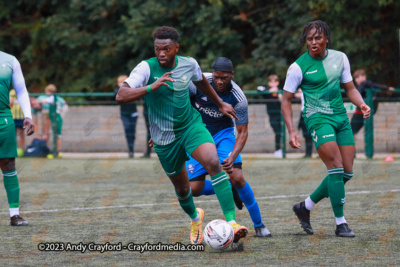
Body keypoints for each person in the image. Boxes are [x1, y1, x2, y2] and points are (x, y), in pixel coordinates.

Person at [116, 26, 248, 245]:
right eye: (158, 49)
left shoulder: (189, 64)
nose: (161, 53)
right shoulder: (146, 69)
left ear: (176, 48)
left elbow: (202, 82)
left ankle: (232, 223)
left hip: (190, 126)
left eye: (166, 49)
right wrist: (151, 87)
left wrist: (220, 103)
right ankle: (196, 219)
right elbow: (121, 95)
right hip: (164, 139)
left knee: (214, 162)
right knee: (183, 188)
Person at [281, 20, 371, 237]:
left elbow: (350, 88)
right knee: (336, 168)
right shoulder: (297, 67)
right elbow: (285, 100)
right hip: (317, 118)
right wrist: (292, 130)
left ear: (326, 39)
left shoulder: (340, 58)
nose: (313, 42)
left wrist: (361, 104)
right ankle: (341, 223)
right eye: (309, 39)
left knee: (346, 173)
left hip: (340, 118)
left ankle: (305, 206)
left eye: (317, 38)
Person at [186, 57, 271, 237]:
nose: (219, 81)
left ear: (232, 75)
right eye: (216, 77)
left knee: (238, 177)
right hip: (198, 135)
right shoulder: (197, 84)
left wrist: (233, 155)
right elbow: (180, 105)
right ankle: (228, 187)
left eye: (224, 78)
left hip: (223, 135)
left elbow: (242, 132)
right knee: (194, 189)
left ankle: (259, 224)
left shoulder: (238, 98)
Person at [0, 50, 34, 226]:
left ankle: (15, 215)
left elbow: (21, 89)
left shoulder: (10, 60)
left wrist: (28, 115)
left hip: (4, 119)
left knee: (8, 164)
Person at [350, 69, 394, 137]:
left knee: (351, 131)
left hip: (363, 111)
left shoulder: (364, 83)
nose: (356, 80)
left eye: (358, 77)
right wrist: (387, 88)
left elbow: (357, 92)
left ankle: (350, 146)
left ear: (364, 76)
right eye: (355, 78)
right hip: (368, 110)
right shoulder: (369, 84)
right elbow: (377, 86)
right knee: (354, 130)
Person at [38, 84, 67, 158]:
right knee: (58, 135)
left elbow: (42, 101)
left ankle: (56, 151)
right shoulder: (59, 98)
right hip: (57, 117)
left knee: (56, 135)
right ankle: (58, 152)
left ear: (49, 91)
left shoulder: (51, 98)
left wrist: (42, 105)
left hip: (55, 118)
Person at [257, 74, 283, 158]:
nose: (273, 84)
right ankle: (277, 150)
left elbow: (285, 100)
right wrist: (270, 91)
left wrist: (279, 96)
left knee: (281, 133)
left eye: (275, 82)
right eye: (271, 82)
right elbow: (259, 89)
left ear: (278, 83)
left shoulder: (280, 91)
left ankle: (280, 149)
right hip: (272, 115)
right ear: (269, 83)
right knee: (277, 132)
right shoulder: (267, 91)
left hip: (281, 115)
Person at [114, 75, 138, 158]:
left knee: (132, 131)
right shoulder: (117, 90)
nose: (121, 84)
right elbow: (117, 96)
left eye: (123, 82)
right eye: (120, 82)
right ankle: (130, 149)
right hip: (124, 114)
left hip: (133, 113)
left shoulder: (132, 89)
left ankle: (132, 150)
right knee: (127, 129)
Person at [294, 89, 313, 158]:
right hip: (304, 114)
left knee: (312, 135)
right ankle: (308, 153)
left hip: (311, 114)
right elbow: (295, 94)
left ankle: (310, 153)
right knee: (307, 136)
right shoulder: (303, 91)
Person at [9, 89, 25, 157]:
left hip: (21, 117)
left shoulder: (23, 90)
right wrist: (12, 99)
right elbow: (10, 104)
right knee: (13, 134)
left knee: (21, 133)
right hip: (13, 117)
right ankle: (13, 150)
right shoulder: (11, 92)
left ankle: (21, 149)